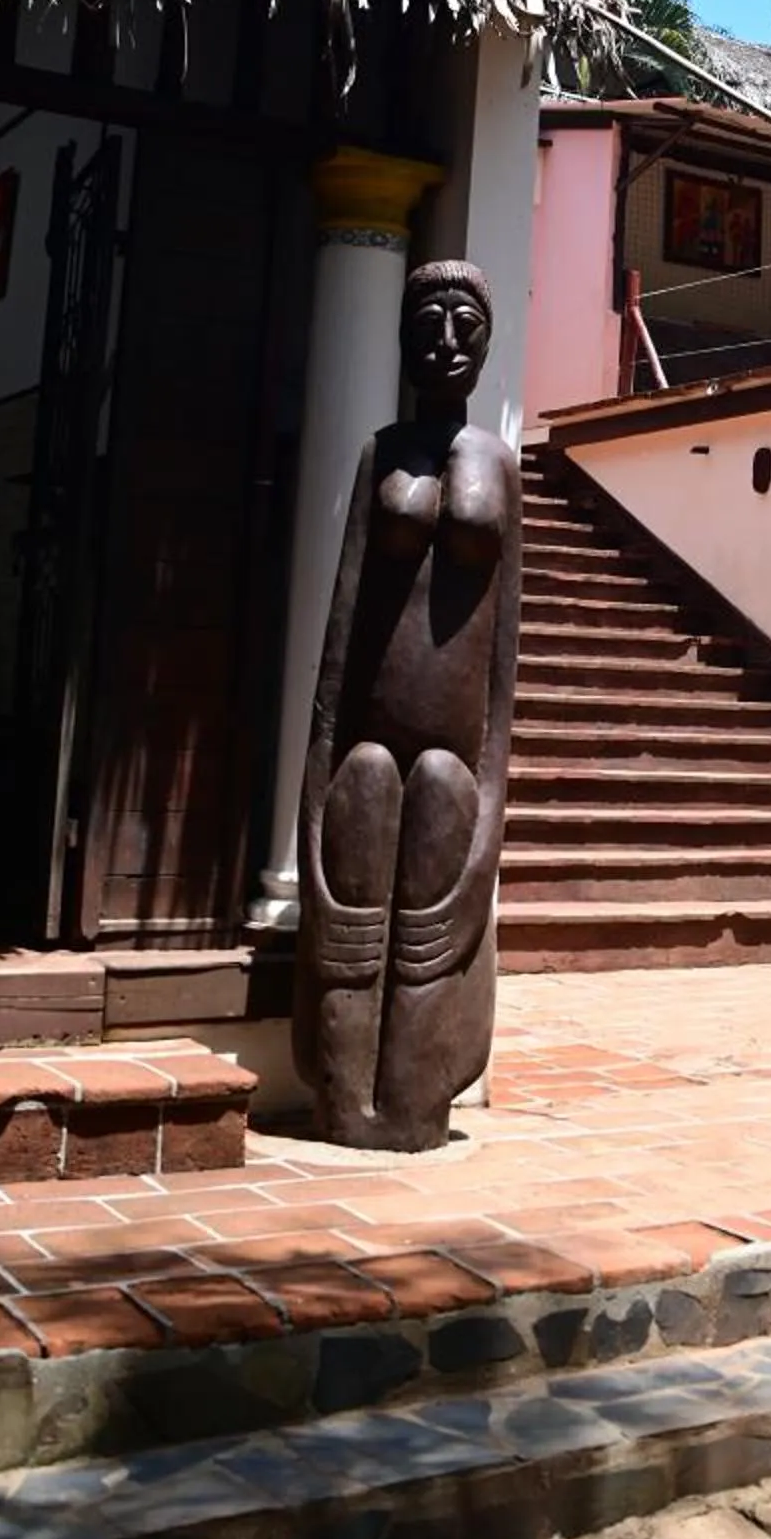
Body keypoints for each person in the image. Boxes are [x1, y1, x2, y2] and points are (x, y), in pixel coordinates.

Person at [293, 260, 521, 1149]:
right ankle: (345, 1103)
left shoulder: (499, 463)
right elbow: (340, 638)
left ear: (490, 341)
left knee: (432, 891)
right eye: (429, 321)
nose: (448, 340)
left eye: (467, 323)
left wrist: (488, 836)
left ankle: (415, 1106)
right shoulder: (379, 454)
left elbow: (501, 669)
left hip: (453, 763)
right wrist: (310, 818)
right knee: (367, 802)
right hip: (365, 750)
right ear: (400, 337)